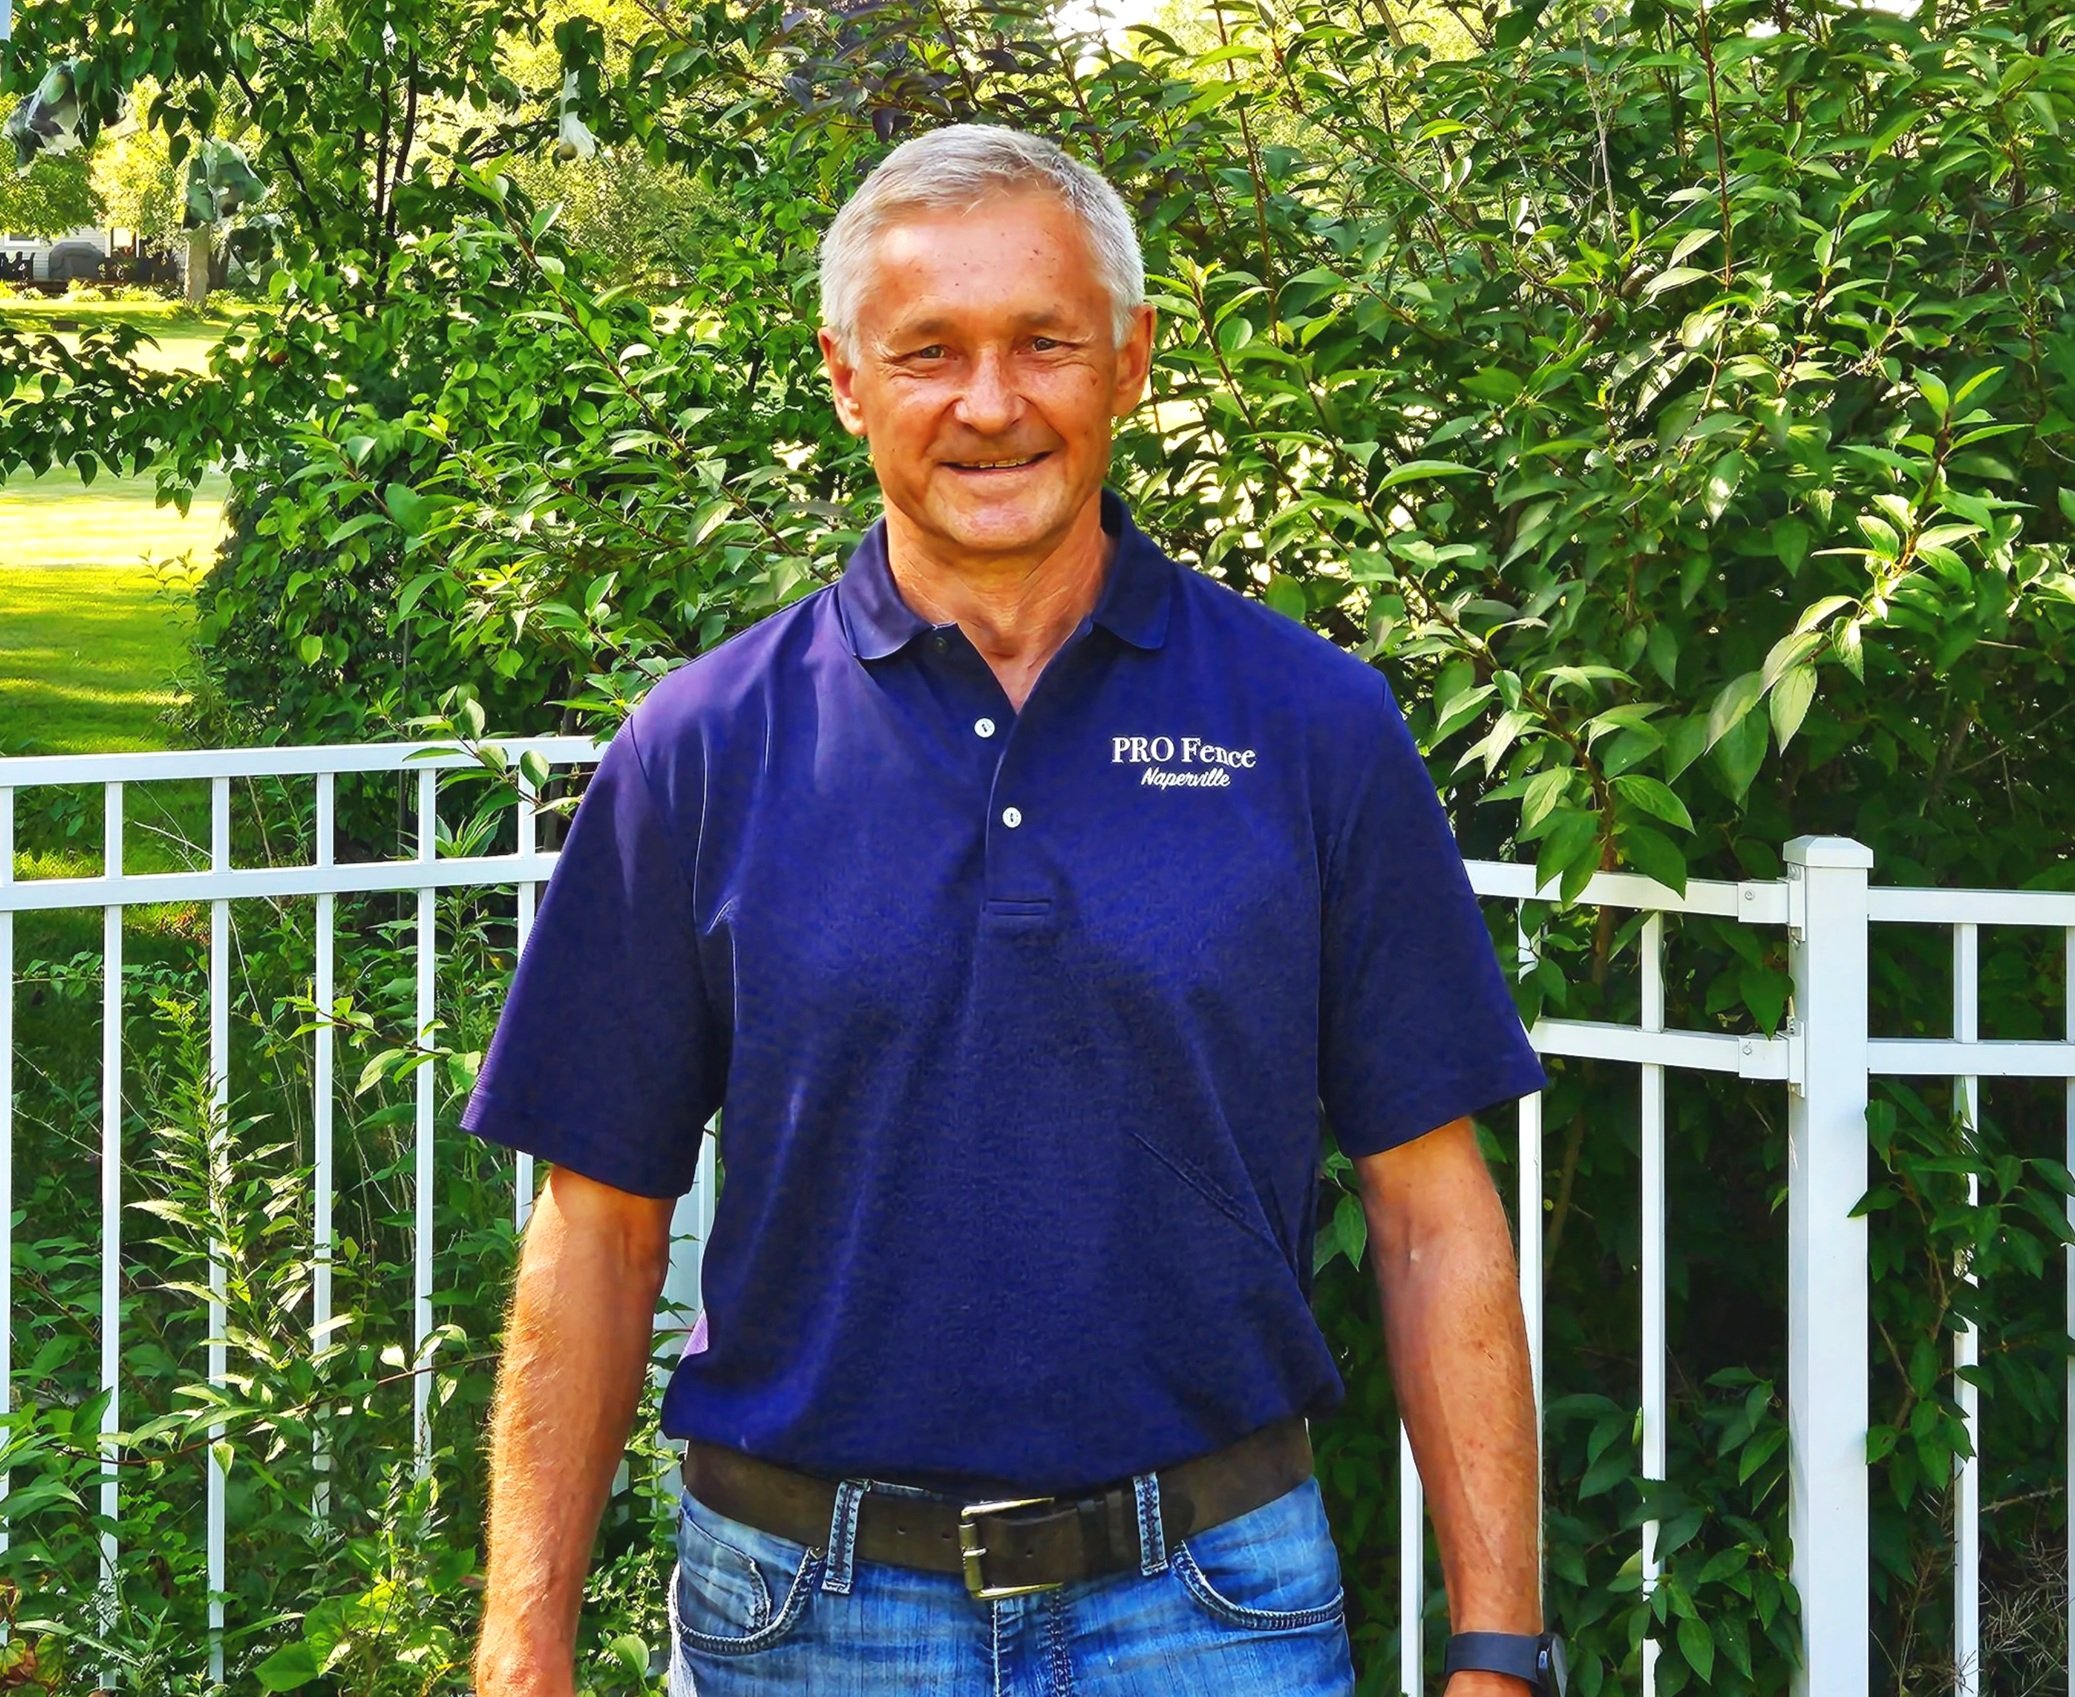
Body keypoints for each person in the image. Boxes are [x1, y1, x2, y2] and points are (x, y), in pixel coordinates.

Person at [464, 123, 1557, 1697]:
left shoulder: (1315, 726)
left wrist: (1500, 1648)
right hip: (805, 1623)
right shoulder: (702, 745)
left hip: (1211, 1610)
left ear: (1130, 361)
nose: (991, 404)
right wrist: (522, 1649)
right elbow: (599, 1228)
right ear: (847, 378)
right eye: (931, 352)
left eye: (1044, 343)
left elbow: (1432, 1211)